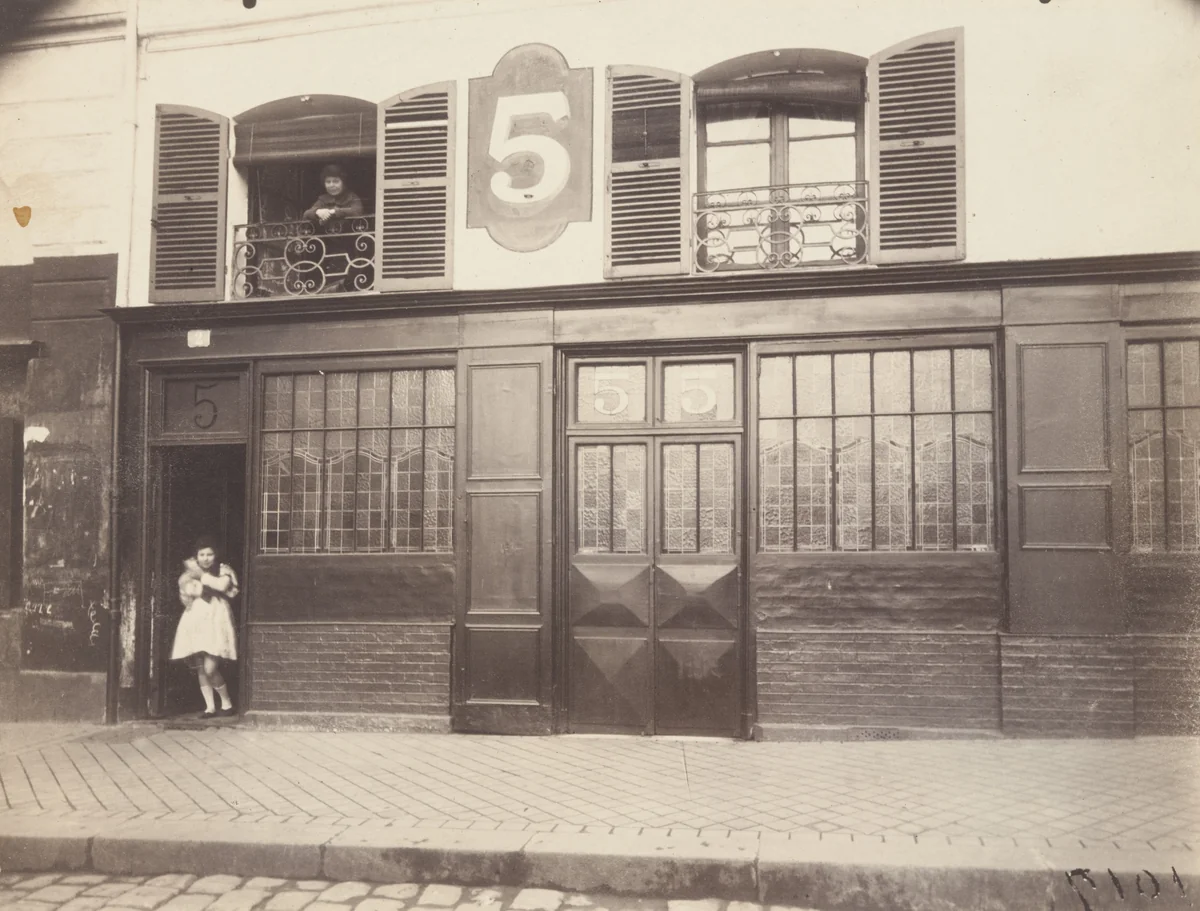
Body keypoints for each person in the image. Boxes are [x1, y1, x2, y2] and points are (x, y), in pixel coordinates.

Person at [171, 537, 239, 719]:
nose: (206, 558)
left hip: (216, 619)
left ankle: (227, 703)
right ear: (196, 556)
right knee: (201, 667)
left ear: (215, 556)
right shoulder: (188, 574)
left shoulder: (223, 570)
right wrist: (189, 585)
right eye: (202, 555)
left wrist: (200, 577)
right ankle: (209, 707)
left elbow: (222, 585)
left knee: (210, 667)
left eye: (210, 554)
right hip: (196, 619)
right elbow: (187, 592)